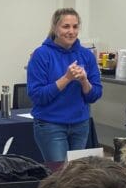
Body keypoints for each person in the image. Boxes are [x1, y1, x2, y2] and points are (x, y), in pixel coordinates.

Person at [26, 8, 103, 162]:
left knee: (76, 175)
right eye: (66, 26)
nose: (71, 31)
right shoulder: (41, 55)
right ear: (55, 28)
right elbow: (37, 96)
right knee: (60, 176)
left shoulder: (86, 55)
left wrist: (84, 81)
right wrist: (66, 78)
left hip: (80, 125)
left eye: (75, 27)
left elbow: (95, 95)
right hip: (51, 125)